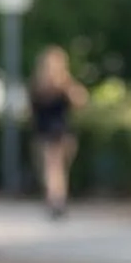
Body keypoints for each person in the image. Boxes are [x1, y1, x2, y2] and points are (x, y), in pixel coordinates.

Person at [27, 44, 88, 218]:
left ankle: (55, 200)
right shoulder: (63, 84)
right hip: (61, 131)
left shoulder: (39, 85)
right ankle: (57, 199)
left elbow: (30, 110)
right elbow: (81, 102)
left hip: (48, 132)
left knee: (52, 168)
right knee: (57, 168)